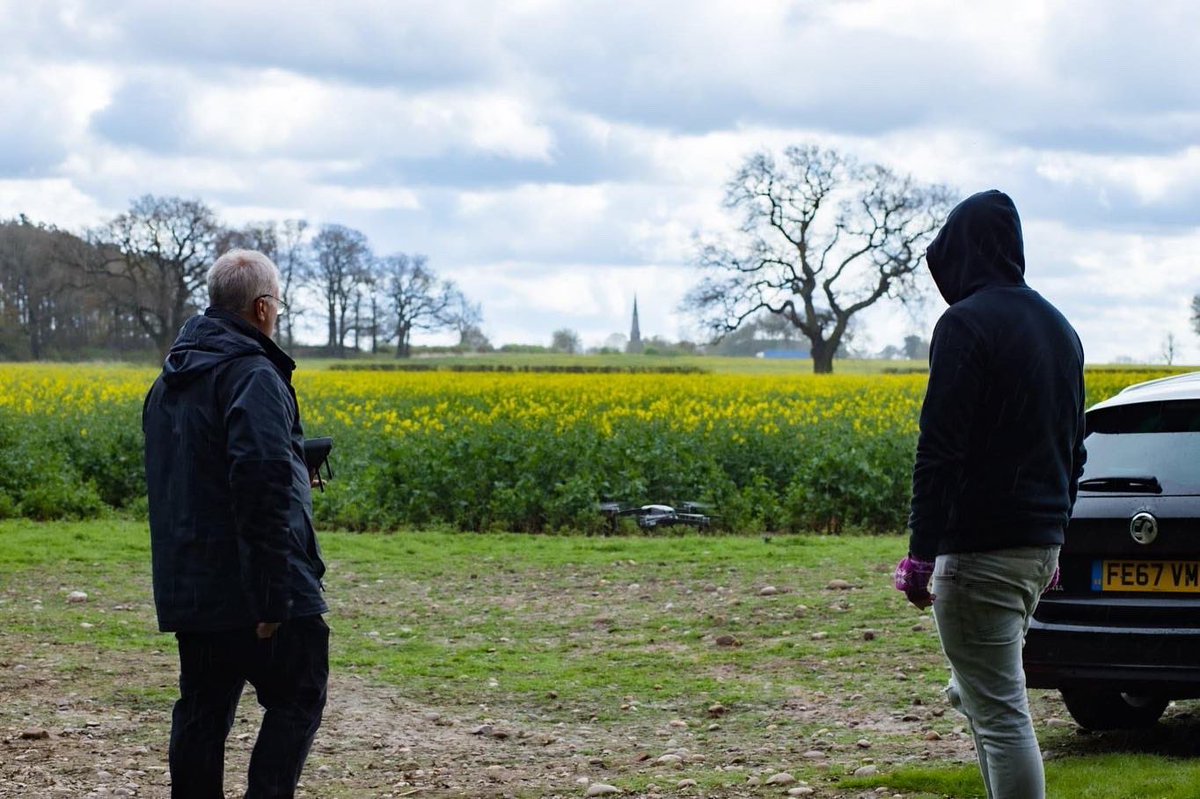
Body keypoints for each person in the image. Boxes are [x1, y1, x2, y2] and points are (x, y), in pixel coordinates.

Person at [893, 190, 1086, 799]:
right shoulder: (1061, 329)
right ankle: (967, 681)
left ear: (964, 252)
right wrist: (1052, 535)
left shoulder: (964, 324)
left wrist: (921, 552)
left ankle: (971, 683)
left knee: (1003, 717)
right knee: (983, 690)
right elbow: (1073, 448)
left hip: (979, 551)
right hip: (1036, 550)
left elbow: (940, 450)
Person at [143, 249, 329, 799]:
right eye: (278, 303)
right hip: (255, 587)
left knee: (202, 707)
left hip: (191, 587)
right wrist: (273, 598)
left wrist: (296, 464)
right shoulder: (252, 373)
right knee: (298, 696)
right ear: (262, 307)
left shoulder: (169, 381)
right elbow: (260, 484)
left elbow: (194, 476)